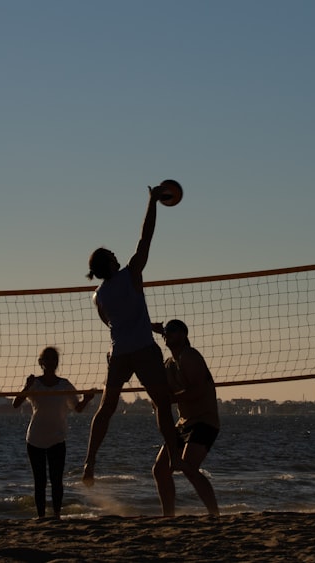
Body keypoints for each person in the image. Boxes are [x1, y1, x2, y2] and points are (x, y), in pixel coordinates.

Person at [82, 184, 185, 486]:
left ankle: (89, 462)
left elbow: (112, 322)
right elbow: (146, 236)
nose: (117, 254)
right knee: (162, 403)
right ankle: (176, 457)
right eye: (113, 254)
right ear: (111, 263)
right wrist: (152, 202)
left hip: (119, 352)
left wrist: (146, 324)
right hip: (142, 349)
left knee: (106, 408)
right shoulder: (131, 273)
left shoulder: (97, 295)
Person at [12, 347, 93, 518]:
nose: (50, 362)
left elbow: (77, 408)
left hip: (57, 438)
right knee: (39, 482)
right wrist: (26, 386)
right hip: (35, 439)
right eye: (46, 359)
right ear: (41, 362)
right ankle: (41, 516)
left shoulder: (64, 384)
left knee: (57, 481)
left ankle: (56, 515)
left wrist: (86, 399)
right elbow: (16, 404)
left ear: (57, 362)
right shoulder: (35, 383)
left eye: (53, 359)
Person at [151, 319, 221, 516]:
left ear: (183, 335)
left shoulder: (189, 356)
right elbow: (161, 394)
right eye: (166, 331)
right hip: (184, 422)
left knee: (188, 466)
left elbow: (198, 390)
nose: (167, 334)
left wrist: (169, 399)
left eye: (172, 330)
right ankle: (169, 516)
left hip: (204, 421)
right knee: (160, 469)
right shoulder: (169, 364)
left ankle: (215, 514)